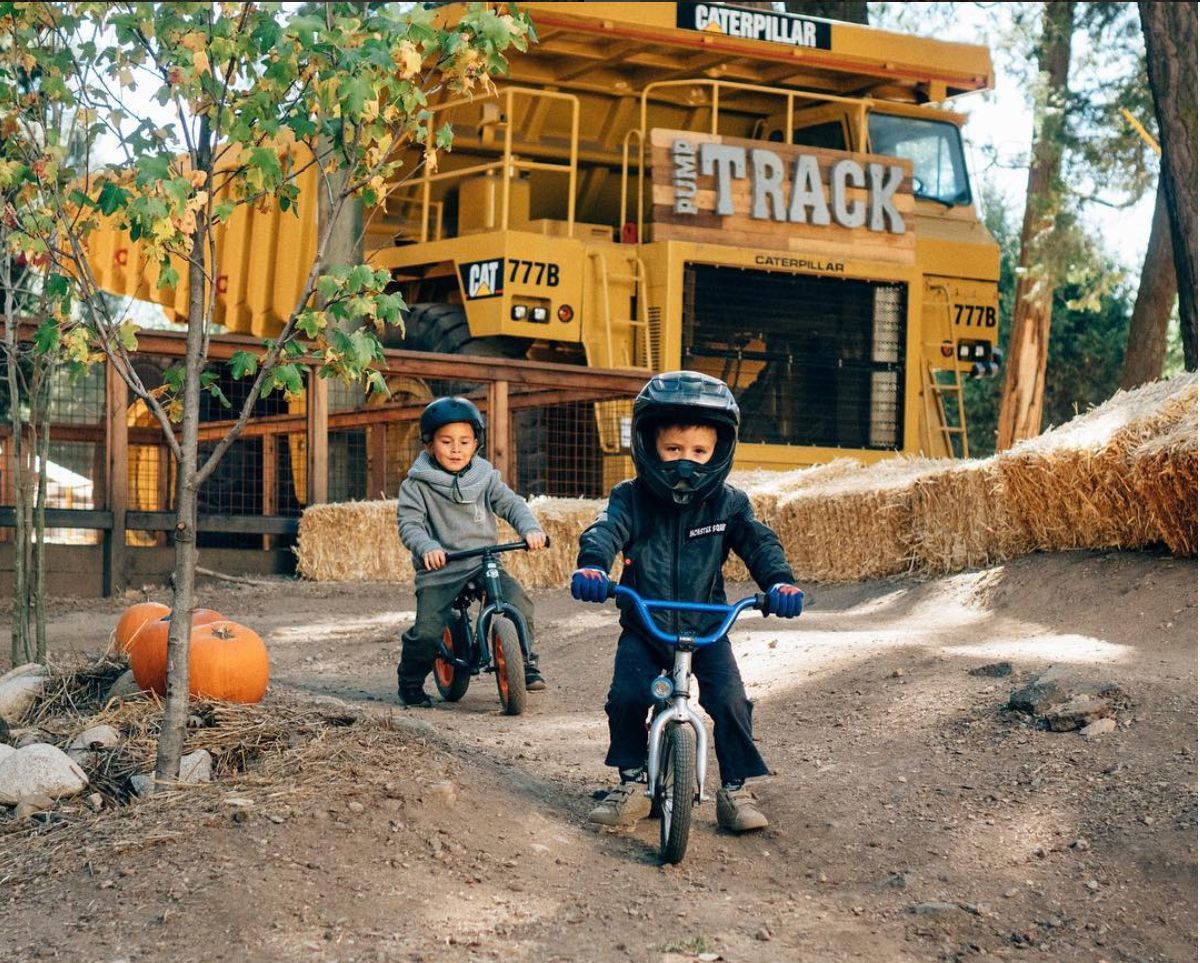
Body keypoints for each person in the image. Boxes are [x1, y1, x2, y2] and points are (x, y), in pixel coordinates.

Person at [571, 370, 803, 832]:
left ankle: (736, 788)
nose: (686, 463)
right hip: (645, 623)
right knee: (626, 697)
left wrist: (779, 583)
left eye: (699, 452)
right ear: (648, 445)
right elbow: (605, 530)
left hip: (707, 626)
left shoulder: (728, 504)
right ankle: (633, 781)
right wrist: (593, 565)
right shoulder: (630, 498)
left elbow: (758, 543)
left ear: (720, 450)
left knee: (731, 701)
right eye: (673, 450)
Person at [396, 396, 547, 707]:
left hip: (483, 560)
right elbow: (410, 525)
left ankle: (525, 662)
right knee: (426, 631)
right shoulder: (416, 485)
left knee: (519, 601)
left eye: (465, 441)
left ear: (476, 443)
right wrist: (428, 547)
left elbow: (511, 504)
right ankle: (410, 682)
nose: (456, 449)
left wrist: (530, 529)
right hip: (442, 567)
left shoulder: (485, 477)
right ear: (429, 445)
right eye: (446, 441)